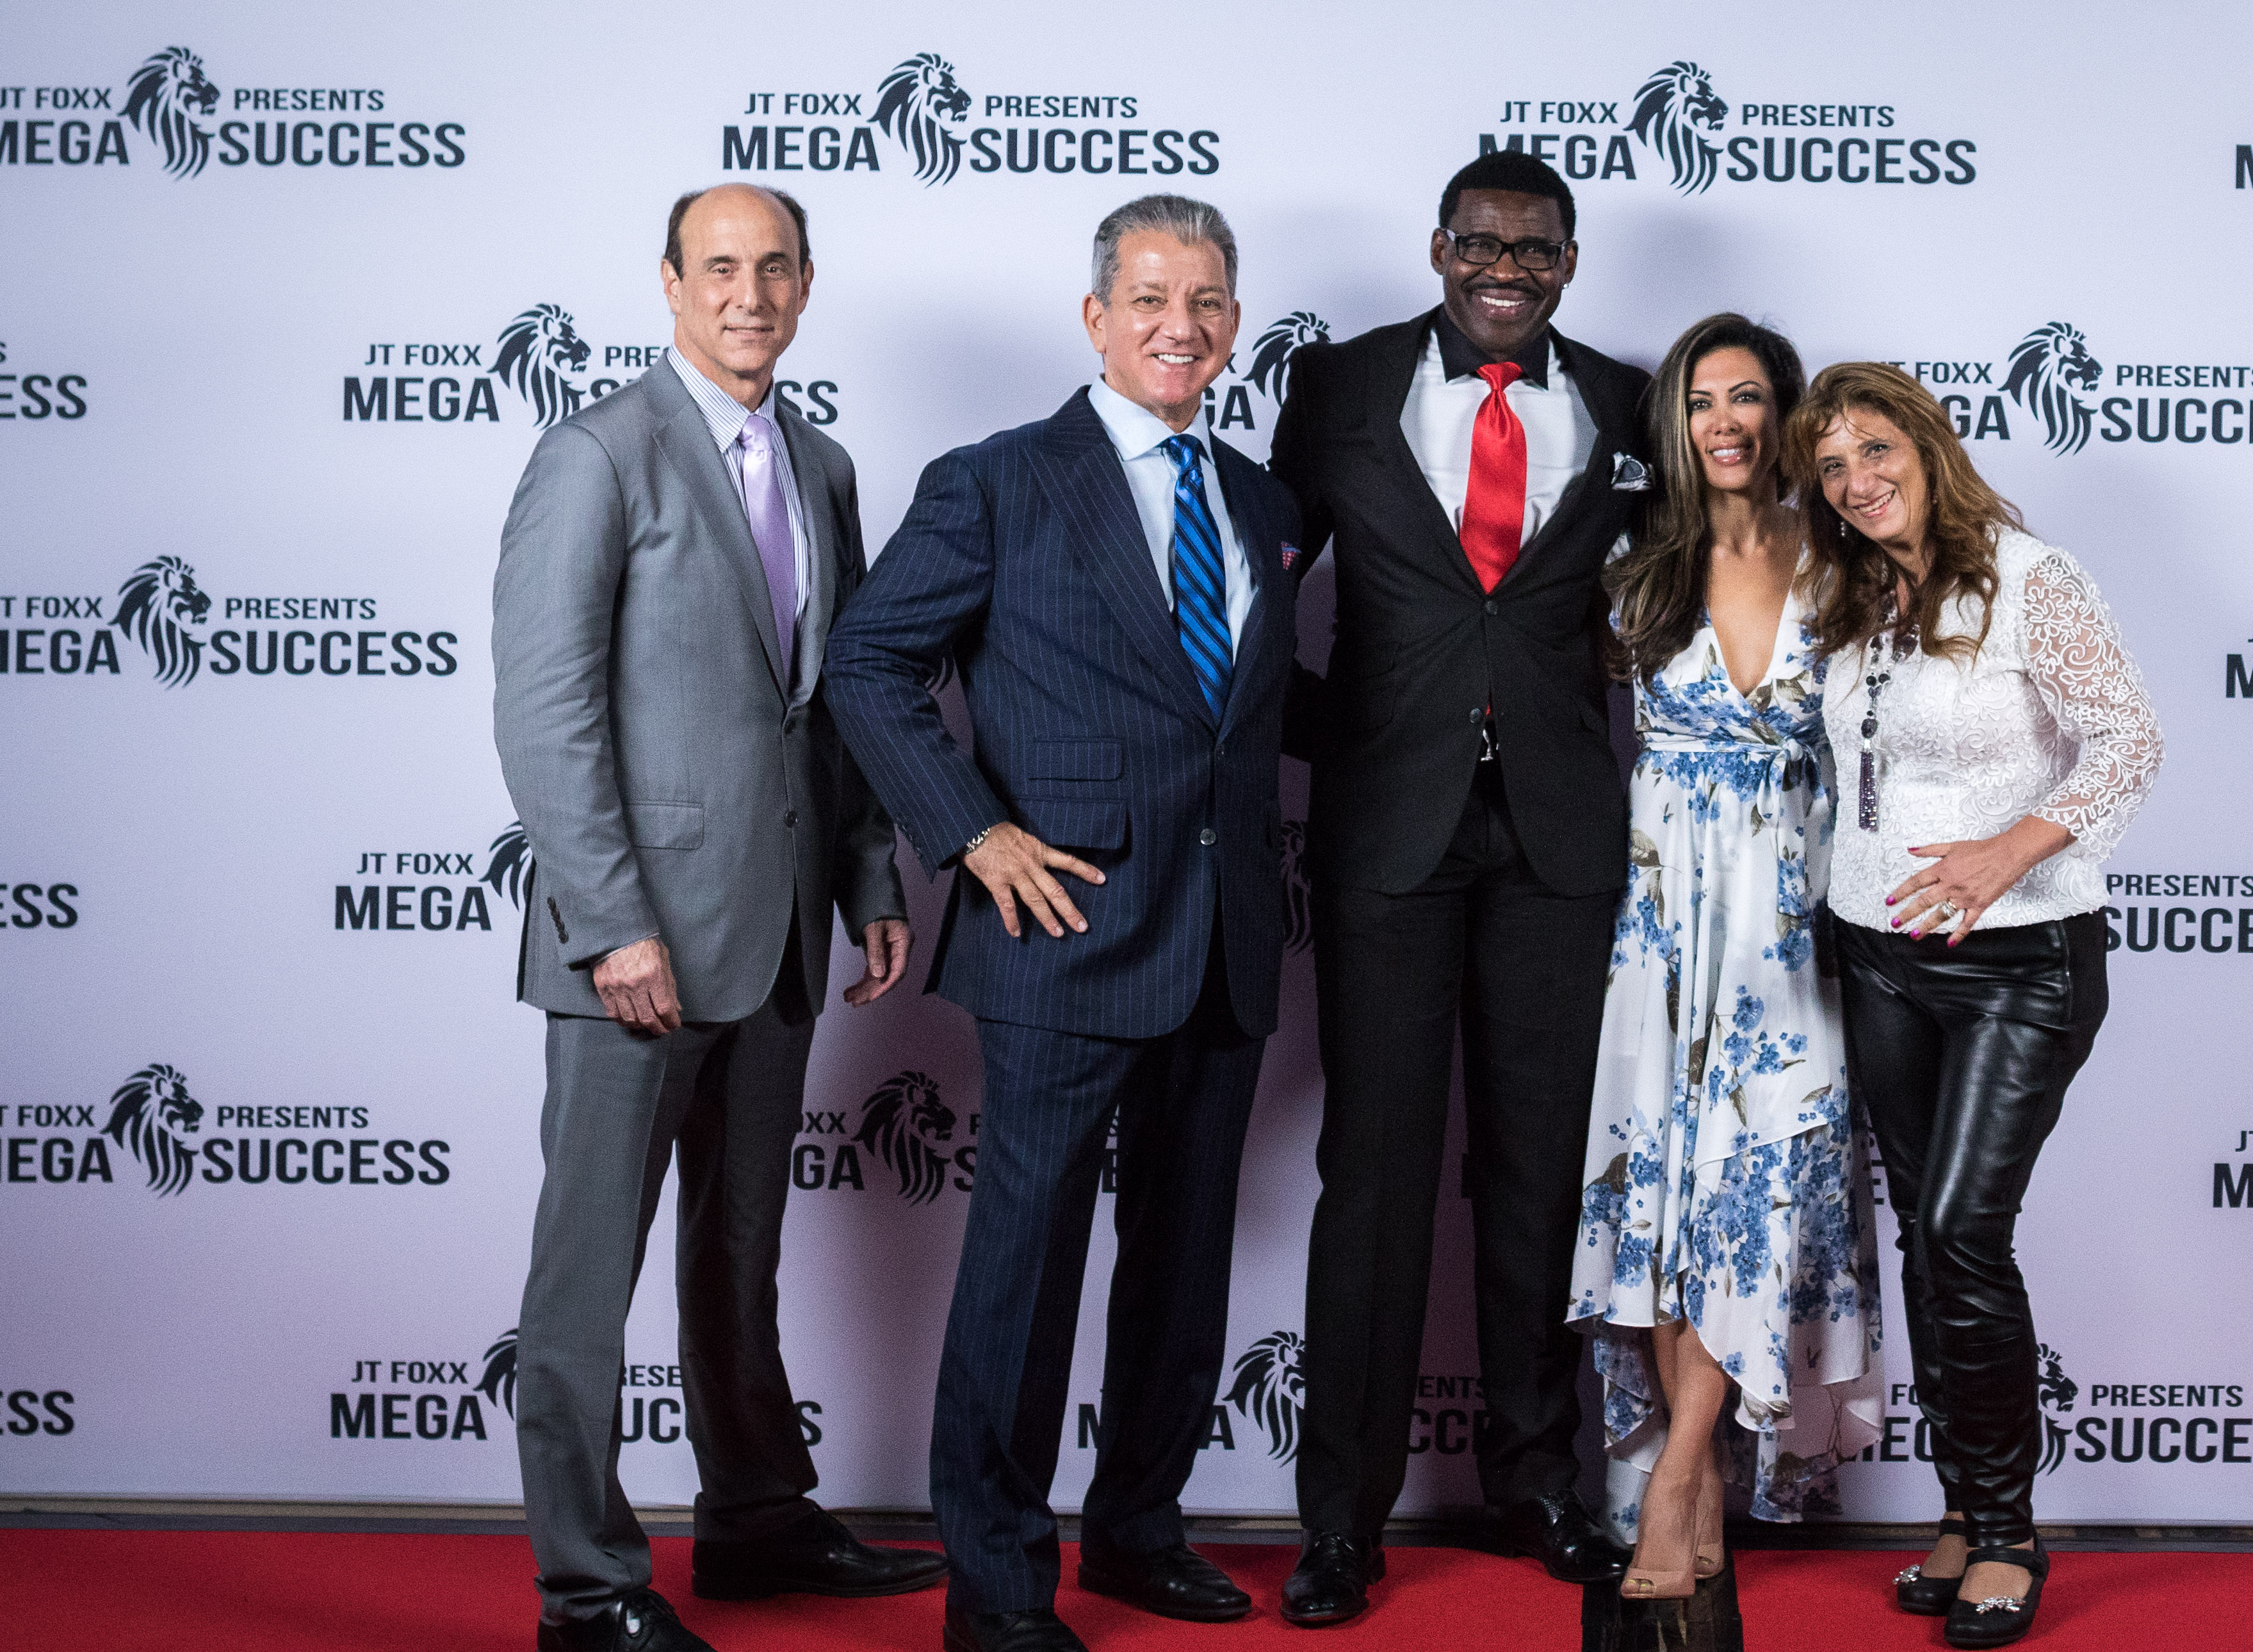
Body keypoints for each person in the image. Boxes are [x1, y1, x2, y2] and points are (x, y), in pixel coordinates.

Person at [824, 195, 1299, 1652]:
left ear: (1235, 324)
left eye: (1205, 302)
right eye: (1149, 299)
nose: (1179, 326)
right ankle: (999, 1585)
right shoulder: (998, 481)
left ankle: (1139, 1530)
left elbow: (1243, 710)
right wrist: (971, 832)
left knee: (1182, 1266)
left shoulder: (1262, 502)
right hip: (1063, 929)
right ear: (1096, 319)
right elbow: (868, 660)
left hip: (1223, 933)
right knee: (1026, 1275)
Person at [492, 182, 947, 1652]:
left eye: (775, 268)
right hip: (632, 952)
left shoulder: (821, 464)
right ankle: (587, 1590)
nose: (749, 294)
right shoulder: (598, 454)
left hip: (779, 939)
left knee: (737, 1253)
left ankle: (753, 1519)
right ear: (672, 284)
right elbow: (546, 712)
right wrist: (610, 923)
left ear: (807, 285)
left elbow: (837, 699)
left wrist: (869, 878)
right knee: (586, 1283)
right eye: (721, 268)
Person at [1269, 149, 1648, 1626]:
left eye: (1535, 250)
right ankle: (1340, 1520)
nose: (1507, 270)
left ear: (1569, 265)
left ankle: (1538, 1483)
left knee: (1539, 1171)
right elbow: (1254, 588)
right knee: (1373, 1175)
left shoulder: (1629, 406)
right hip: (1388, 836)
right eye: (1482, 244)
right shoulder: (1340, 388)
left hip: (1559, 842)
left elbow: (1689, 590)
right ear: (1440, 249)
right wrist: (1338, 732)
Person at [1785, 362, 2163, 1649]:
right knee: (1924, 1238)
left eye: (1875, 450)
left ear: (1926, 447)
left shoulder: (2028, 578)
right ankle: (1962, 1510)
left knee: (1961, 1228)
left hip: (2019, 959)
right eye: (1831, 467)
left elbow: (2129, 740)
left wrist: (2008, 851)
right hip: (1878, 951)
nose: (1856, 482)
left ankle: (2007, 1531)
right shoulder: (1849, 593)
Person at [1568, 316, 1884, 1602]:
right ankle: (1687, 1480)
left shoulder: (1847, 557)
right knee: (1662, 1204)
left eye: (1748, 396)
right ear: (1675, 423)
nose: (1725, 422)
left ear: (1784, 414)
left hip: (1796, 930)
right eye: (1702, 400)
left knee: (1755, 1195)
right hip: (1663, 932)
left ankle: (1681, 1474)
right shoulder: (1631, 564)